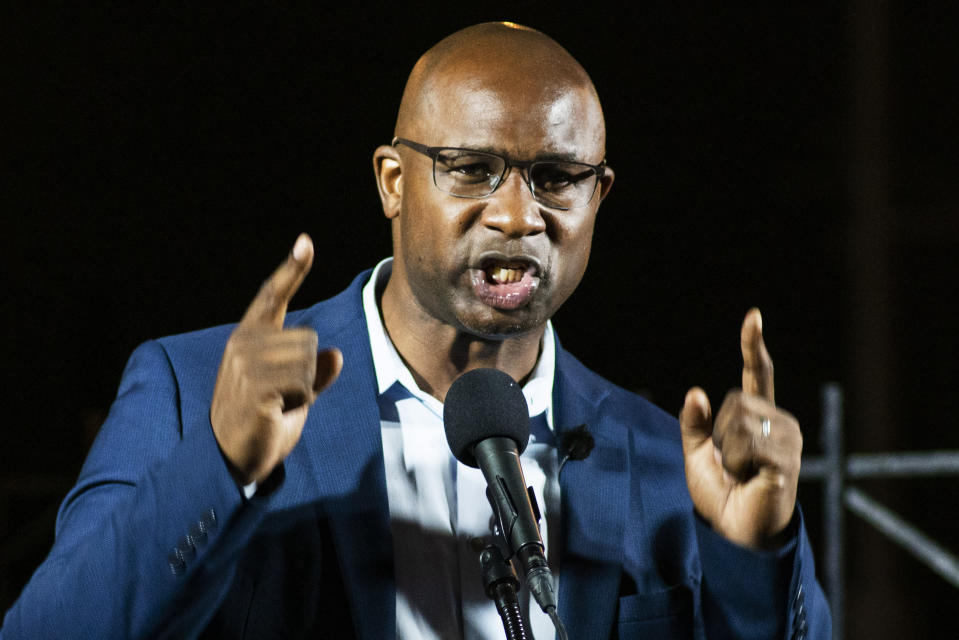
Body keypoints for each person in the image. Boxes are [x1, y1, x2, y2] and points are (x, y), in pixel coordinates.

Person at [2, 22, 829, 639]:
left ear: (597, 198)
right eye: (471, 169)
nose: (516, 214)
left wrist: (754, 562)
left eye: (556, 178)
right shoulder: (196, 390)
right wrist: (219, 463)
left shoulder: (664, 463)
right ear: (394, 183)